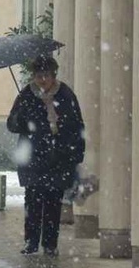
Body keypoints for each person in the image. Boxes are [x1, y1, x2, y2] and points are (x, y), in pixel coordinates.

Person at [7, 55, 85, 257]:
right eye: (39, 76)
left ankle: (50, 244)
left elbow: (77, 125)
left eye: (46, 75)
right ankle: (31, 242)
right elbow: (12, 124)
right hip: (33, 158)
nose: (42, 80)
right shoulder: (26, 95)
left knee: (53, 203)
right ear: (33, 76)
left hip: (57, 158)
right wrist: (23, 118)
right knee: (32, 201)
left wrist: (76, 153)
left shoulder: (65, 95)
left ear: (53, 76)